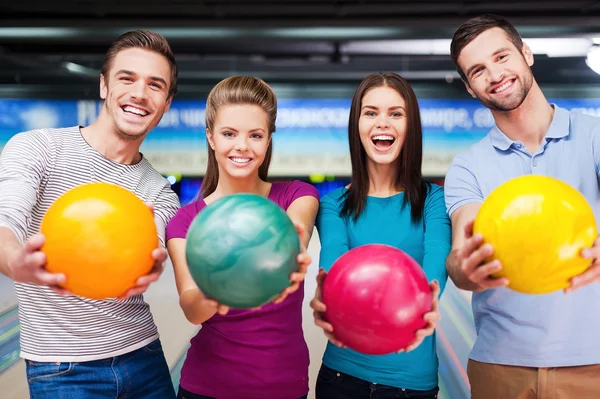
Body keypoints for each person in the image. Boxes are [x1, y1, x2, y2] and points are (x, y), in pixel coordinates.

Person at [0, 30, 181, 398]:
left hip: (144, 356)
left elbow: (151, 252)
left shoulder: (160, 192)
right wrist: (15, 261)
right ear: (104, 86)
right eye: (126, 78)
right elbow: (5, 221)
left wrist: (152, 264)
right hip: (60, 371)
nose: (139, 94)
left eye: (155, 85)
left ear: (167, 103)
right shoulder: (38, 148)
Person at [445, 14, 600, 398]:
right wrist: (463, 268)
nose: (494, 74)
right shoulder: (467, 166)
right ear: (469, 88)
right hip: (500, 366)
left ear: (526, 53)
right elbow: (462, 250)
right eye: (478, 70)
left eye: (501, 57)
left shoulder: (594, 136)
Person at [165, 75, 319, 399]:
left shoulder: (297, 196)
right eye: (229, 134)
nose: (242, 146)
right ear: (210, 137)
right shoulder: (185, 221)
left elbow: (295, 236)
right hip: (206, 387)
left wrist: (290, 250)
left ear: (268, 139)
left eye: (256, 135)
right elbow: (192, 308)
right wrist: (216, 293)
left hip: (284, 387)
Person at [309, 72, 450, 399]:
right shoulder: (332, 205)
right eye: (370, 112)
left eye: (395, 113)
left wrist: (427, 303)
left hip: (410, 384)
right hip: (340, 378)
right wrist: (324, 295)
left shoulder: (434, 200)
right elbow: (332, 259)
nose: (382, 123)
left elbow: (436, 263)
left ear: (410, 126)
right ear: (356, 125)